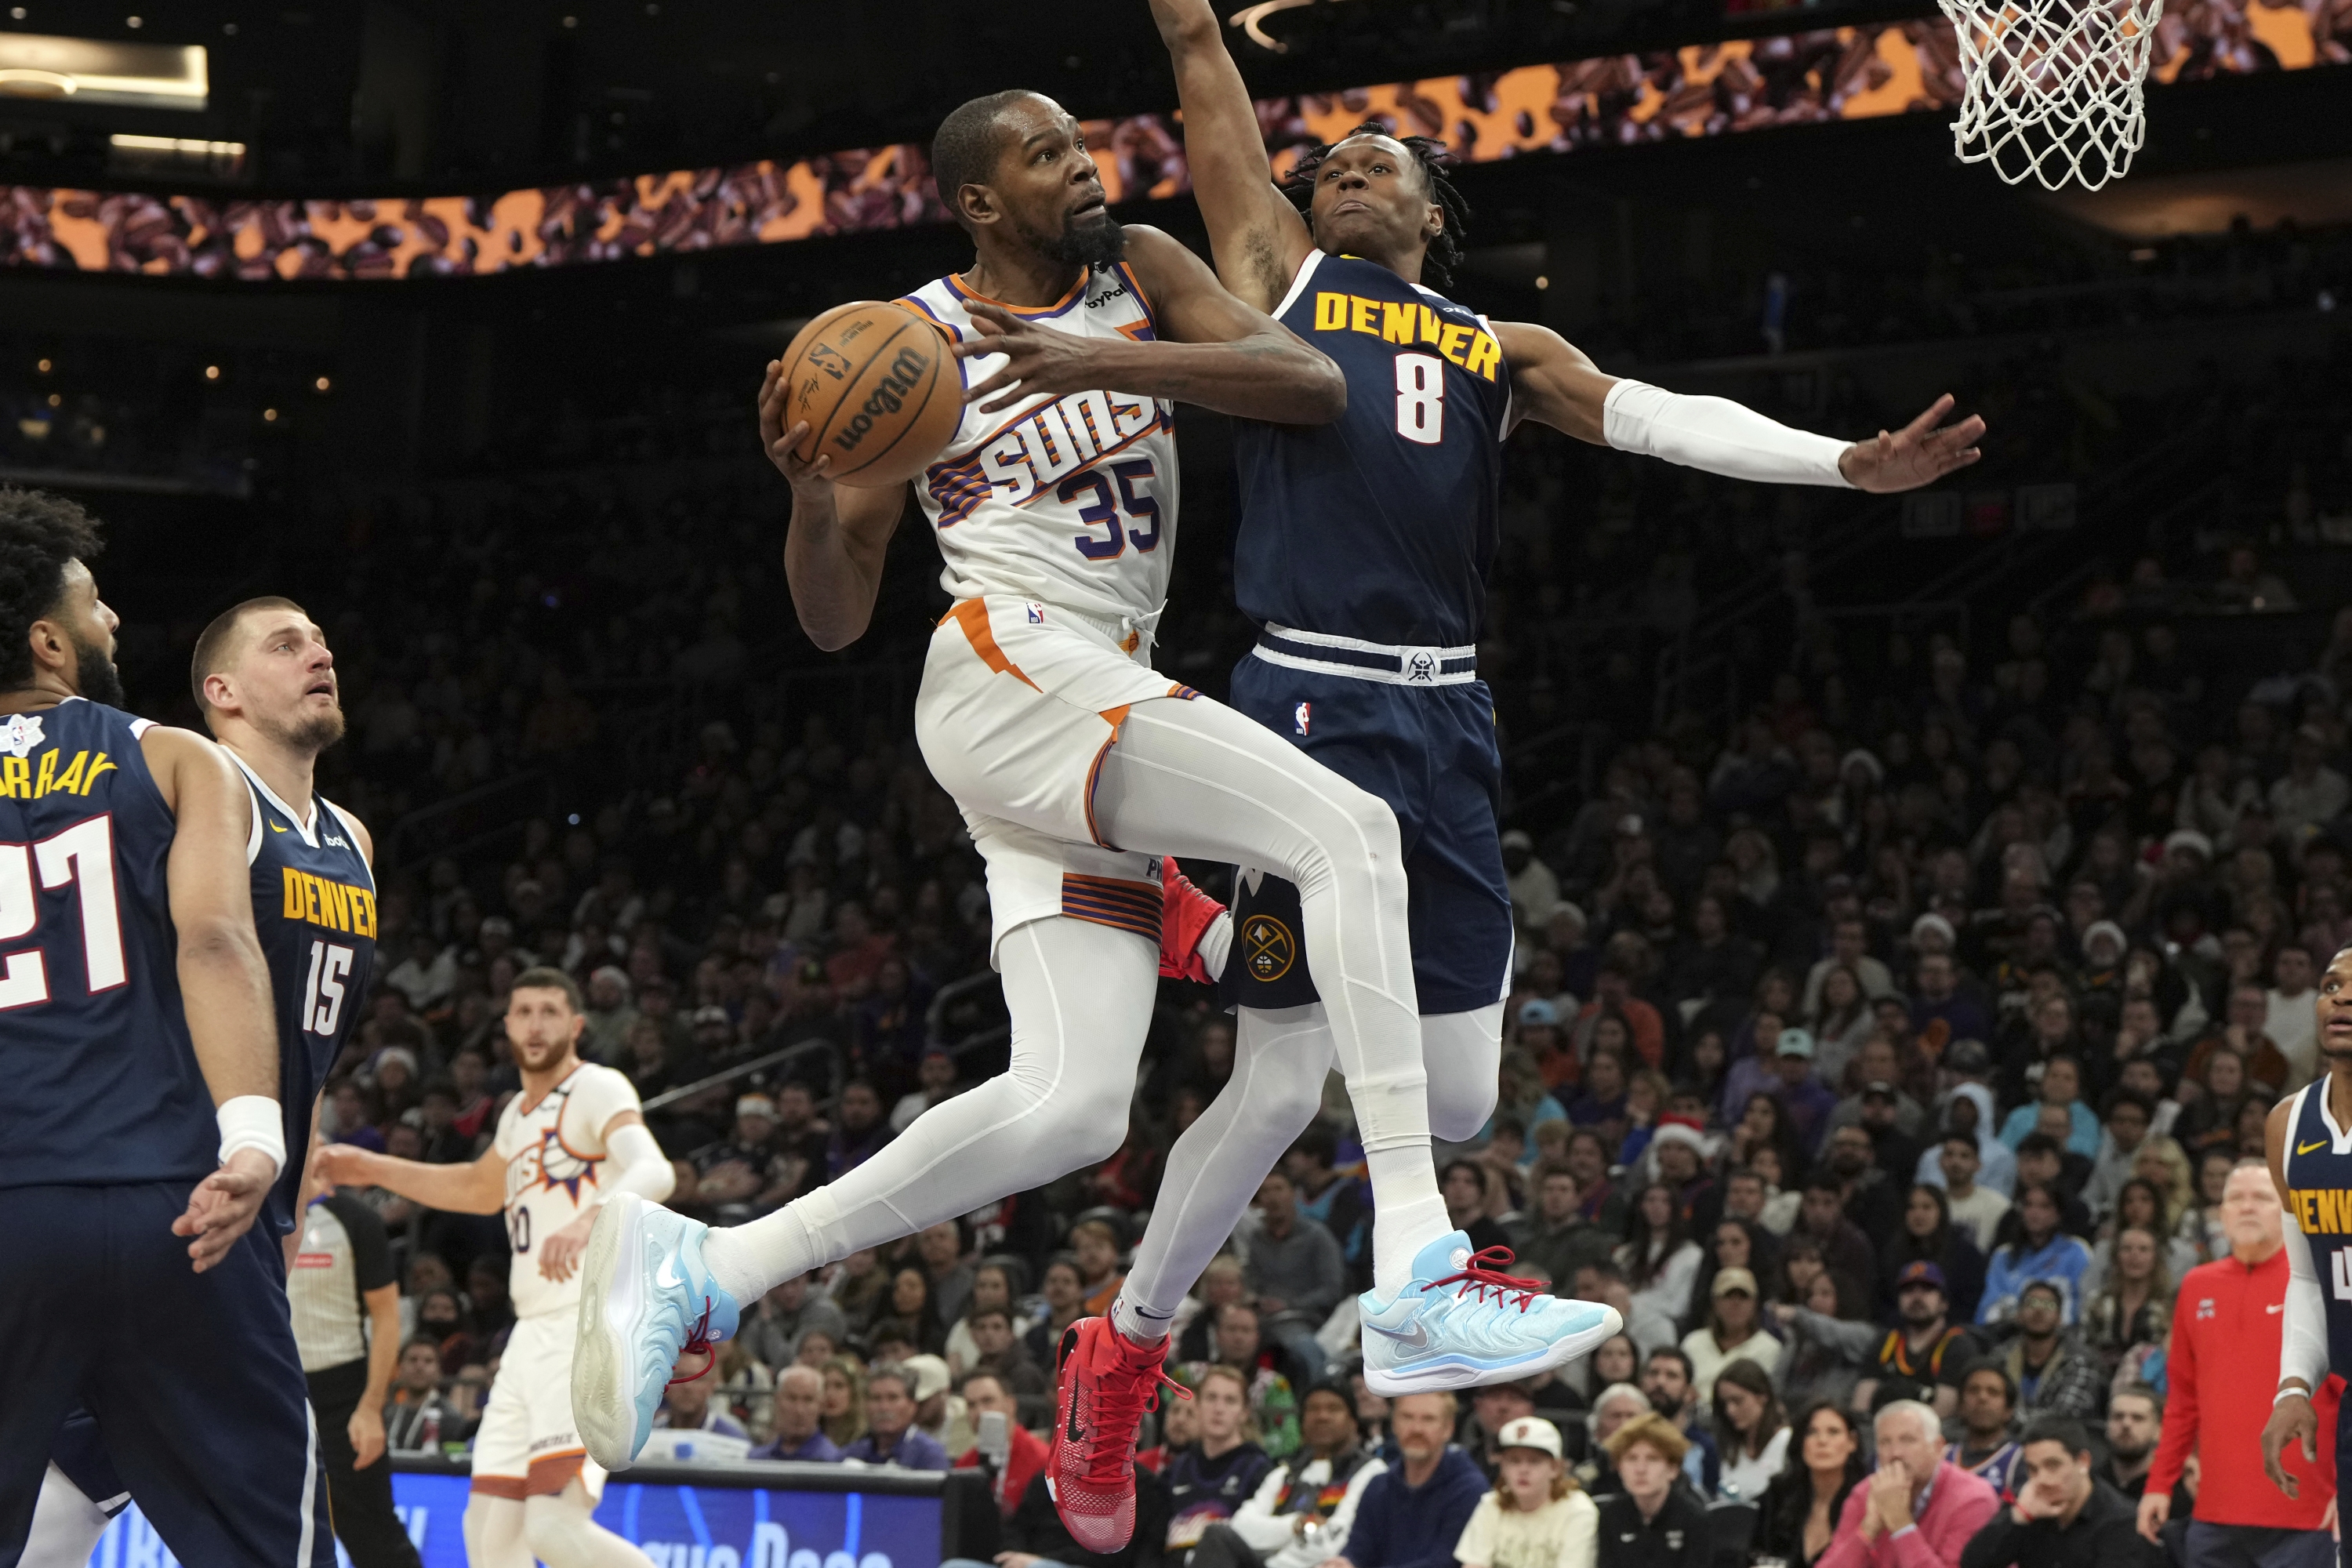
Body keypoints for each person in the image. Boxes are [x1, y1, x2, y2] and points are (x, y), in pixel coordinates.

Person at [579, 90, 1619, 1539]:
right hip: (1012, 662)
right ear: (981, 200)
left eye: (1085, 146)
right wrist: (814, 495)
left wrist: (1096, 353)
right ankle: (1419, 1261)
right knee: (1348, 837)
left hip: (1097, 698)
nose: (1086, 167)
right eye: (1048, 156)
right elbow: (831, 618)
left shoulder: (1138, 270)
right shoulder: (910, 344)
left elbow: (1306, 383)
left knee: (1072, 1106)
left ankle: (710, 1267)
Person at [1124, 0, 1968, 1467]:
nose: (1341, 172)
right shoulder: (1281, 277)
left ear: (1437, 209)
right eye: (1326, 162)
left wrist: (1843, 464)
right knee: (1273, 1076)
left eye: (1375, 163)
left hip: (1448, 711)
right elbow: (1208, 85)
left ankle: (1332, 1120)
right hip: (1311, 696)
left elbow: (1657, 417)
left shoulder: (1497, 344)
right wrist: (1190, 21)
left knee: (1460, 1096)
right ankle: (1224, 1314)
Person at [33, 591, 396, 1563]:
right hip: (147, 1183)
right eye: (287, 644)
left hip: (243, 1203)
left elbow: (311, 1060)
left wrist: (290, 1205)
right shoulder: (186, 795)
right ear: (221, 691)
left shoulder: (352, 839)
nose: (319, 654)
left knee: (67, 1499)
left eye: (322, 640)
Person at [0, 496, 321, 1566]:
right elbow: (216, 945)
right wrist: (255, 1145)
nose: (115, 617)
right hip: (176, 1204)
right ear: (50, 641)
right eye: (94, 604)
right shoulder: (182, 758)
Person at [316, 968, 677, 1568]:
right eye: (524, 1012)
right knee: (489, 1537)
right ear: (506, 1025)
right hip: (532, 1331)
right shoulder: (517, 1113)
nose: (536, 1024)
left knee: (554, 1529)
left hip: (589, 1322)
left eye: (550, 1012)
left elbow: (655, 1170)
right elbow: (478, 1188)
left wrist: (590, 1220)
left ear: (577, 1025)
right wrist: (372, 1167)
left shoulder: (597, 1087)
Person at [2149, 1159, 2337, 1563]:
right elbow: (2182, 1401)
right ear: (2221, 1213)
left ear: (2287, 1210)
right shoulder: (2197, 1286)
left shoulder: (2318, 1282)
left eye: (2261, 1198)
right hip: (2215, 1516)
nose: (2247, 1207)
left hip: (2308, 1517)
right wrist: (2159, 1485)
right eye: (2236, 1198)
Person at [1189, 1381, 1383, 1568]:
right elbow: (1241, 1526)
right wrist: (1296, 1524)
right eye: (1313, 1409)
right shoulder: (1284, 1473)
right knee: (1217, 1536)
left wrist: (1273, 1562)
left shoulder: (1371, 1472)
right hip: (1264, 1562)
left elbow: (1334, 1542)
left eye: (1333, 1409)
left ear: (1353, 1422)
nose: (1322, 1416)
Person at [1953, 1415, 2158, 1568]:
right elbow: (1972, 1563)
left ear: (2083, 1462)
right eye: (2033, 1468)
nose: (2042, 1479)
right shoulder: (2028, 1502)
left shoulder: (2121, 1521)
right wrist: (2018, 1517)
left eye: (2053, 1466)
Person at [1817, 1400, 1998, 1568]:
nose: (1895, 1453)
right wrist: (1868, 1528)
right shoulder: (1865, 1493)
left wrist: (1901, 1523)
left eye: (1908, 1440)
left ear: (1938, 1447)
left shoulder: (1974, 1499)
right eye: (1885, 1442)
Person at [1326, 1392, 1487, 1568]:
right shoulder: (1378, 1487)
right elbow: (1358, 1550)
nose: (1416, 1429)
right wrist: (1343, 1563)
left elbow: (1446, 1562)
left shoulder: (1470, 1489)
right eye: (1407, 1417)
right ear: (1394, 1423)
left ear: (1448, 1429)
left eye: (1428, 1419)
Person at [1243, 1169, 1348, 1385]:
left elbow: (1332, 1290)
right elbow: (1251, 1282)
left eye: (1279, 1189)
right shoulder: (1256, 1240)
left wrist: (1290, 1304)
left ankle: (1315, 1396)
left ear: (1293, 1194)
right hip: (1261, 1319)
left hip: (1304, 1319)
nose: (1272, 1197)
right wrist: (1254, 1299)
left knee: (1303, 1350)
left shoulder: (1317, 1236)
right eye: (1265, 1192)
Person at [1453, 1417, 1596, 1568]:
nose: (1523, 1470)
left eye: (1534, 1461)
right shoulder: (1491, 1504)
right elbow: (1474, 1564)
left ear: (1555, 1468)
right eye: (1514, 1461)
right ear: (1503, 1467)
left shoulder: (1578, 1510)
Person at [1166, 1364, 1276, 1552]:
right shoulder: (1177, 1469)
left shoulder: (1260, 1471)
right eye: (1211, 1398)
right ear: (1198, 1405)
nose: (1219, 1409)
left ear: (1244, 1413)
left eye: (1230, 1401)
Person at [1756, 1403, 1866, 1567]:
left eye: (1833, 1432)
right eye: (1812, 1432)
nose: (1822, 1441)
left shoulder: (1866, 1500)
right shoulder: (1778, 1495)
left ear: (1852, 1442)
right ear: (1801, 1442)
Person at [1592, 1414, 1710, 1566]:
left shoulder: (1695, 1519)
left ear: (1672, 1469)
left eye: (1652, 1459)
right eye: (1631, 1458)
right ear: (1620, 1468)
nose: (1640, 1469)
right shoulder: (1611, 1516)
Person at [1978, 1186, 2092, 1324]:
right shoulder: (2003, 1256)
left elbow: (2082, 1305)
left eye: (2044, 1207)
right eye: (2028, 1205)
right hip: (2006, 1335)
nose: (2034, 1213)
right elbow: (1987, 1309)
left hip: (2061, 1336)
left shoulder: (2076, 1251)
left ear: (2058, 1214)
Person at [1992, 1283, 2102, 1422]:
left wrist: (2005, 1417)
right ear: (2018, 1314)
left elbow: (2064, 1416)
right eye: (2031, 1303)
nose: (2039, 1310)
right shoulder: (2000, 1357)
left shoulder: (2080, 1360)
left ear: (2060, 1318)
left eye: (2049, 1305)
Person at [1679, 1268, 1780, 1403]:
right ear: (1715, 1302)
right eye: (1728, 1296)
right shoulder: (1693, 1343)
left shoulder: (1770, 1348)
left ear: (1754, 1303)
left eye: (1743, 1297)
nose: (1736, 1303)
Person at [1709, 1359, 1791, 1504]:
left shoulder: (1787, 1442)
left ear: (1762, 1397)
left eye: (1737, 1401)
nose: (1730, 1411)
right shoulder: (1731, 1449)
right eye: (1725, 1404)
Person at [843, 1365, 952, 1471]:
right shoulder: (852, 1454)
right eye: (876, 1398)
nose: (883, 1407)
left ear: (912, 1405)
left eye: (893, 1398)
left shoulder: (929, 1455)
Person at [1945, 1366, 2023, 1497]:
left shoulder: (2019, 1459)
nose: (1982, 1398)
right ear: (1961, 1406)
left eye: (1993, 1392)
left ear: (2009, 1411)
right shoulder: (1943, 1454)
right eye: (1973, 1391)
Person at [751, 1365, 843, 1463]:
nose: (799, 1410)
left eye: (808, 1400)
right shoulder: (756, 1460)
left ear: (821, 1405)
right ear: (777, 1400)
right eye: (792, 1398)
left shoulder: (833, 1463)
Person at [2099, 1387, 2161, 1501]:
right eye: (2118, 1417)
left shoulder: (2169, 1492)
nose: (2126, 1424)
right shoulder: (2090, 1484)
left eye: (2138, 1418)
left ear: (2158, 1431)